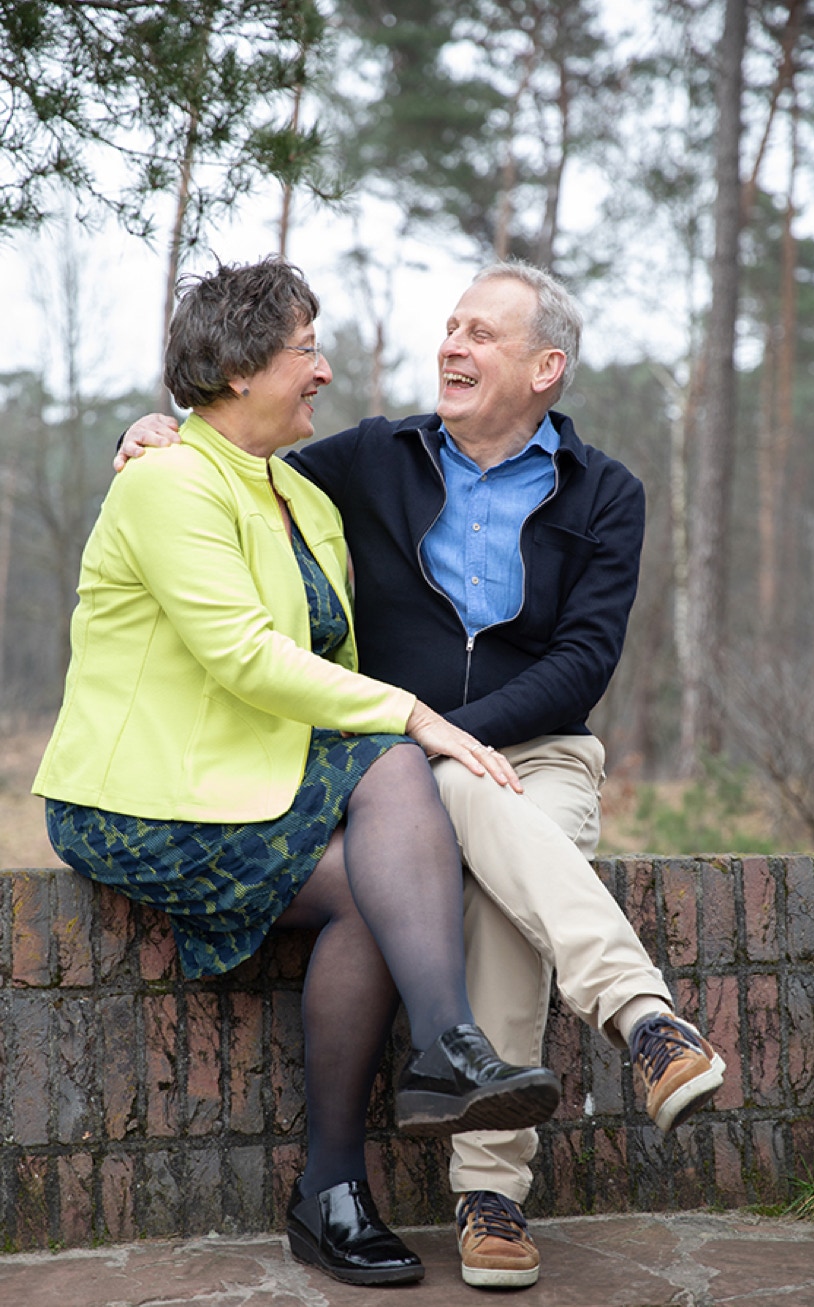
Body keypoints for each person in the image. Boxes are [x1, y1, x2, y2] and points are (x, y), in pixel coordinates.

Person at [118, 259, 726, 1291]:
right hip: (397, 756)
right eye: (450, 326)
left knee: (495, 842)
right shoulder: (371, 457)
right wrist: (150, 426)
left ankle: (492, 1190)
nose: (452, 344)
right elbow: (233, 463)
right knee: (465, 829)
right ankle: (640, 1023)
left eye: (482, 333)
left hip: (536, 748)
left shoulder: (605, 492)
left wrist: (456, 732)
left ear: (546, 367)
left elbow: (584, 658)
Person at [33, 256, 566, 1290]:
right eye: (306, 351)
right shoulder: (168, 483)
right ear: (238, 368)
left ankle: (335, 1185)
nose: (323, 372)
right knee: (395, 755)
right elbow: (242, 652)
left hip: (249, 778)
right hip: (139, 798)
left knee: (381, 885)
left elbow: (333, 663)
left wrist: (408, 721)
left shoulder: (295, 494)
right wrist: (416, 715)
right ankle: (445, 1050)